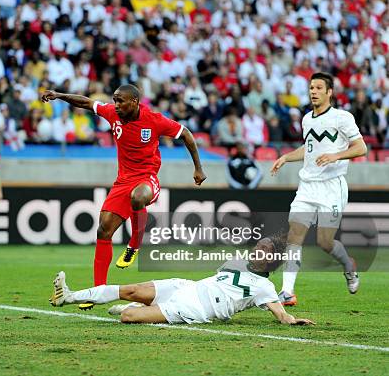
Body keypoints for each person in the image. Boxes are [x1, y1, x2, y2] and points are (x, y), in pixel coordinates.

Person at [41, 84, 206, 310]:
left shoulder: (154, 120)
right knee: (103, 230)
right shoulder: (112, 114)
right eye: (114, 100)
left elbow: (185, 134)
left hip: (147, 178)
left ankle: (134, 244)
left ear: (135, 102)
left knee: (138, 198)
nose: (116, 105)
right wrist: (59, 95)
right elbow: (86, 102)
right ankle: (97, 291)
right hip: (122, 181)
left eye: (121, 101)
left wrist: (198, 168)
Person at [50, 237, 315, 326]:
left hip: (196, 308)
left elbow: (280, 314)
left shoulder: (265, 287)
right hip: (187, 286)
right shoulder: (235, 260)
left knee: (128, 317)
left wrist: (293, 321)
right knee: (129, 289)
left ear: (271, 261)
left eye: (265, 249)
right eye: (259, 244)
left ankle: (142, 311)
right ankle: (69, 296)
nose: (258, 248)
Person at [271, 72, 367, 305]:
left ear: (329, 92)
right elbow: (309, 148)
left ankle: (348, 265)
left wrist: (336, 155)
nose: (313, 91)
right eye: (311, 87)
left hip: (332, 188)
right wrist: (286, 157)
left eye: (318, 88)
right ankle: (287, 292)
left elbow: (361, 148)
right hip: (307, 186)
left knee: (325, 242)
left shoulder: (341, 118)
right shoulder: (307, 119)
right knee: (295, 235)